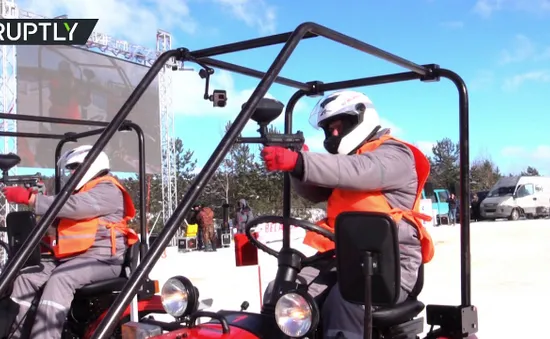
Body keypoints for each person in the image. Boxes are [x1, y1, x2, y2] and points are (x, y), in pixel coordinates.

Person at [260, 90, 435, 339]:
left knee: (344, 301)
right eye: (328, 129)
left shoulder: (396, 155)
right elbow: (315, 190)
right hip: (338, 260)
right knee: (283, 294)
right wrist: (297, 162)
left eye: (338, 126)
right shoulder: (346, 163)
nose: (333, 134)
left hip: (388, 267)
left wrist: (300, 162)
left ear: (360, 119)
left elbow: (361, 171)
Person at [0, 145, 138, 339]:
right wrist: (41, 200)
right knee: (26, 277)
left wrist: (32, 199)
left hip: (103, 260)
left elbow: (74, 207)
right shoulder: (81, 191)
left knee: (61, 279)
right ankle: (14, 334)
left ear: (91, 165)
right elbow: (62, 219)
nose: (71, 172)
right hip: (72, 257)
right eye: (70, 168)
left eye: (75, 167)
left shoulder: (108, 190)